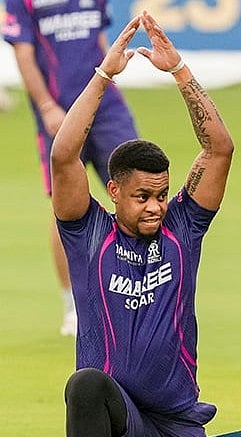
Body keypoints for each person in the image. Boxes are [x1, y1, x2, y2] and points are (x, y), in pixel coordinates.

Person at [51, 11, 234, 437]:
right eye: (142, 197)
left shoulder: (184, 227)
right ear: (114, 191)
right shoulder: (88, 233)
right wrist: (103, 76)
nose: (155, 206)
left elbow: (220, 149)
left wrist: (178, 70)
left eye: (161, 194)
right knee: (84, 384)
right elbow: (63, 155)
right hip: (119, 415)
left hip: (177, 422)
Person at [4, 0, 140, 337]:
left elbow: (98, 40)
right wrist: (47, 107)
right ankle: (74, 306)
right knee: (65, 206)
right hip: (60, 109)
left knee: (136, 190)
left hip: (107, 108)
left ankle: (139, 293)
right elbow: (24, 53)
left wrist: (113, 80)